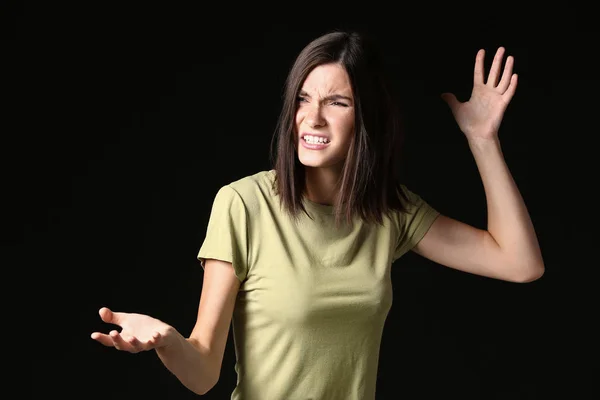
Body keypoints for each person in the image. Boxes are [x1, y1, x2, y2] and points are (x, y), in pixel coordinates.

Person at [91, 30, 545, 399]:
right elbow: (204, 373)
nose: (313, 118)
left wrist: (482, 140)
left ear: (368, 119)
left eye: (338, 103)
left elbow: (520, 264)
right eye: (304, 99)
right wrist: (168, 341)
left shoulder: (389, 211)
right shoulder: (243, 204)